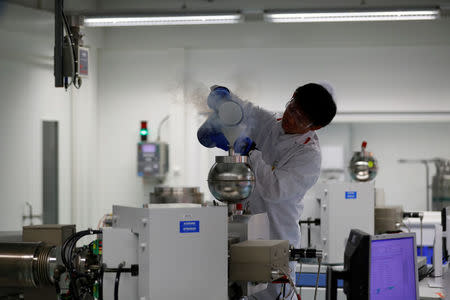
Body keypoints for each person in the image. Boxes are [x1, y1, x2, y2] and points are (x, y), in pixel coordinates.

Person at [198, 83, 337, 299]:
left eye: (301, 119)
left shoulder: (308, 156)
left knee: (269, 294)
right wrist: (224, 98)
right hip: (241, 232)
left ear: (315, 127)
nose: (291, 118)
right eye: (292, 108)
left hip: (276, 238)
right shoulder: (273, 123)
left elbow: (275, 189)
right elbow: (247, 111)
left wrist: (251, 152)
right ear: (291, 98)